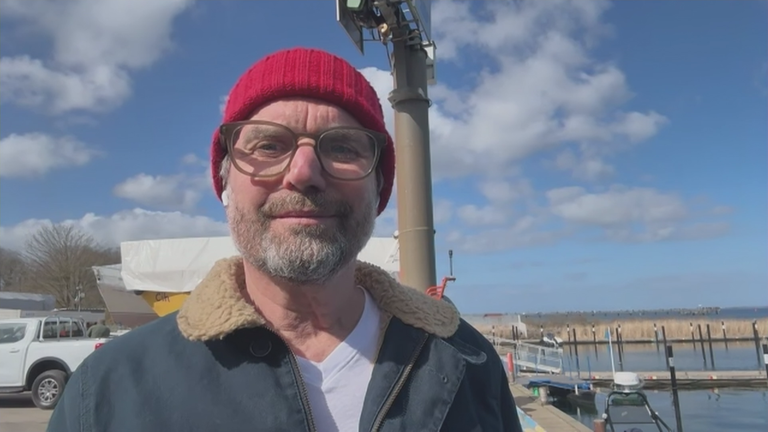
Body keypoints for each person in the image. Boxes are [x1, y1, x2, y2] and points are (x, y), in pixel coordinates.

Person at [47, 47, 522, 432]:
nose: (304, 173)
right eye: (269, 145)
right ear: (225, 181)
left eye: (342, 147)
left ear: (380, 188)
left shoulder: (467, 363)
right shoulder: (108, 391)